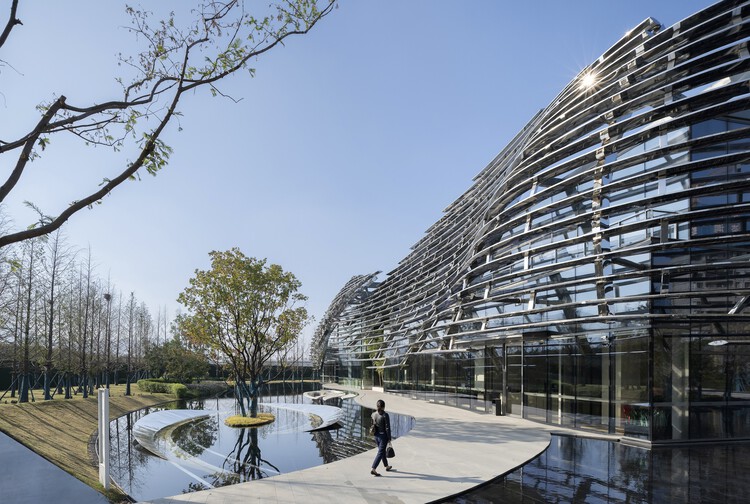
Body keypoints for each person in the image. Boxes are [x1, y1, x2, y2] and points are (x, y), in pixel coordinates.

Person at [370, 399, 393, 476]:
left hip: (376, 436)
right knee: (380, 452)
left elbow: (372, 425)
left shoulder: (373, 414)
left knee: (382, 451)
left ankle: (387, 466)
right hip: (383, 436)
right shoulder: (385, 415)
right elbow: (387, 428)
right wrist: (389, 438)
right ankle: (373, 468)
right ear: (384, 407)